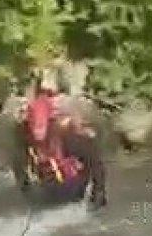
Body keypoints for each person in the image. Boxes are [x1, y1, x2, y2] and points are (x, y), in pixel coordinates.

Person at [12, 73, 107, 210]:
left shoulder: (67, 130)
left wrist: (25, 190)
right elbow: (95, 161)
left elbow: (18, 161)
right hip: (57, 179)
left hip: (61, 180)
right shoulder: (26, 129)